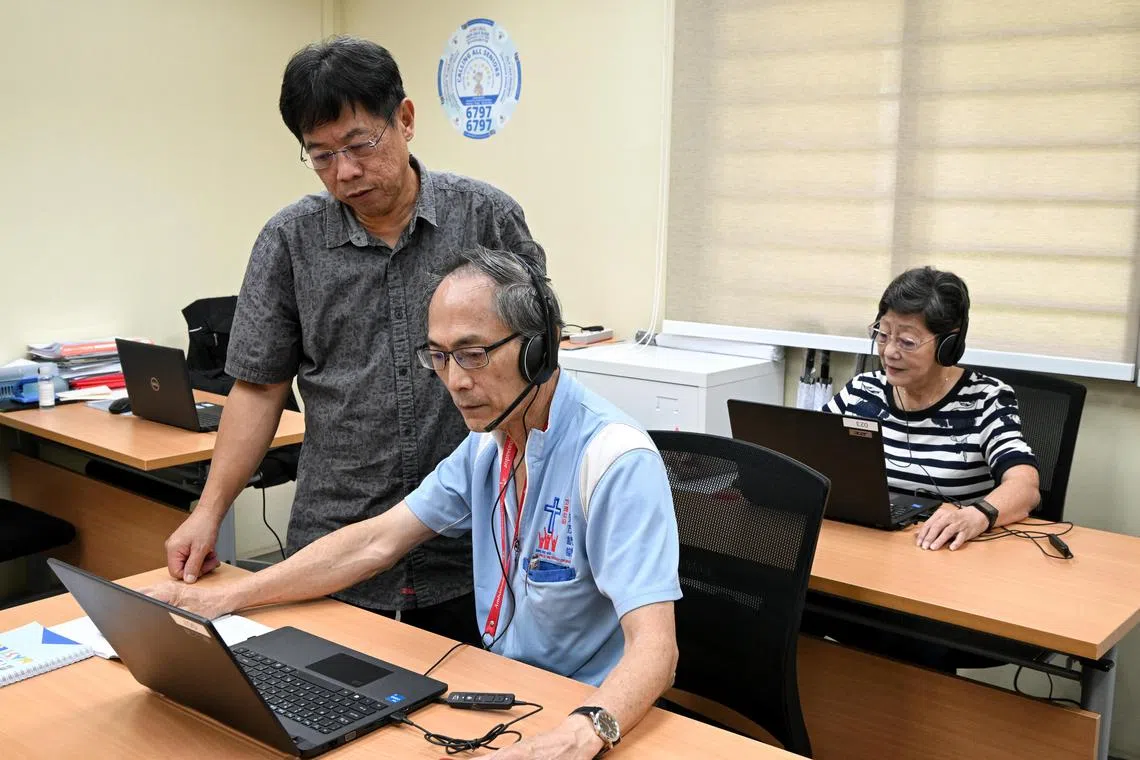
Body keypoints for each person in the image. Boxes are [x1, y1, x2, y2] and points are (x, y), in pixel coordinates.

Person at [150, 247, 682, 758]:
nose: (454, 381)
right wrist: (229, 598)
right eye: (439, 357)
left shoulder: (615, 459)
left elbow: (657, 651)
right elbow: (377, 541)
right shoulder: (487, 446)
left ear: (538, 349)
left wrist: (582, 733)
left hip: (584, 712)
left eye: (473, 355)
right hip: (508, 694)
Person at [162, 36, 536, 645]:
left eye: (361, 144)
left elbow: (534, 370)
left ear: (406, 120)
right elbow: (258, 390)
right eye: (321, 155)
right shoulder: (289, 241)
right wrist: (209, 512)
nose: (347, 172)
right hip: (333, 543)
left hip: (475, 546)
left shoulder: (486, 219)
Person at [826, 266, 1041, 551]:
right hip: (867, 545)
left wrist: (977, 515)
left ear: (947, 346)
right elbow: (804, 453)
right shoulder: (862, 391)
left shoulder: (986, 398)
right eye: (882, 334)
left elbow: (1025, 486)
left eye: (907, 341)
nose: (889, 351)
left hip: (947, 552)